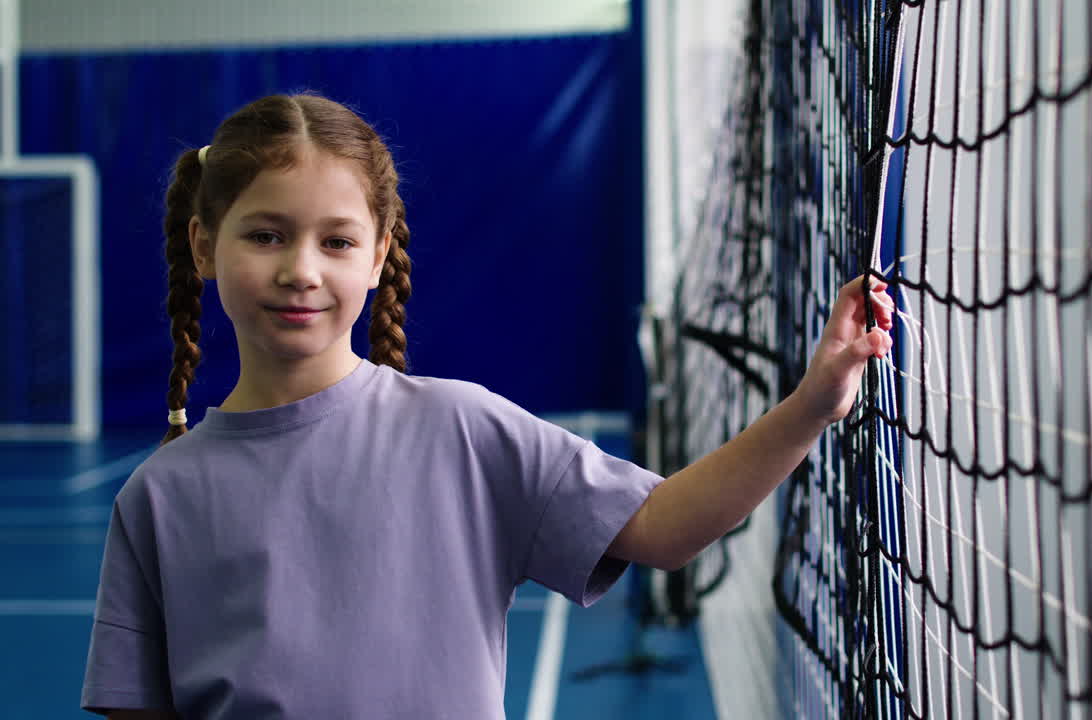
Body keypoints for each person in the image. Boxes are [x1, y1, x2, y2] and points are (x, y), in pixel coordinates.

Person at [81, 93, 893, 719]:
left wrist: (814, 401)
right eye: (264, 235)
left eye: (336, 241)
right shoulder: (159, 498)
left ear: (377, 255)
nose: (302, 269)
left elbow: (668, 527)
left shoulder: (463, 431)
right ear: (203, 247)